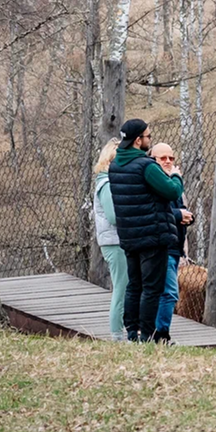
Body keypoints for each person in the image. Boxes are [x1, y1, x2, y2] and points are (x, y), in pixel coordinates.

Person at [108, 119, 184, 343]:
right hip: (153, 235)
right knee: (152, 288)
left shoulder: (116, 166)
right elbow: (172, 191)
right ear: (137, 140)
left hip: (129, 235)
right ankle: (147, 334)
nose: (149, 140)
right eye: (148, 136)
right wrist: (176, 176)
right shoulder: (146, 166)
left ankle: (132, 331)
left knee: (134, 285)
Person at [150, 142, 194, 344]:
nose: (168, 161)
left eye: (171, 158)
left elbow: (180, 208)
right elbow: (156, 212)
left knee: (165, 292)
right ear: (153, 160)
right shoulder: (155, 182)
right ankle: (160, 334)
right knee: (169, 293)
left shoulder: (173, 183)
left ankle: (157, 332)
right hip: (162, 245)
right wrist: (178, 215)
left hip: (175, 245)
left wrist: (187, 217)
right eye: (163, 158)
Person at [92, 139, 128, 342]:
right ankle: (117, 334)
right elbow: (113, 216)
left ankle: (125, 330)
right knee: (121, 287)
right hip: (114, 241)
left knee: (126, 285)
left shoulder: (111, 182)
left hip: (117, 239)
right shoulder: (106, 184)